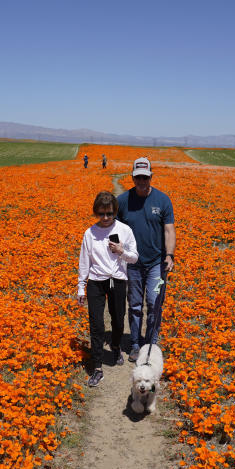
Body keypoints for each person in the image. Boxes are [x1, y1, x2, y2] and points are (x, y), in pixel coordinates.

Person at [117, 157, 175, 362]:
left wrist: (169, 255)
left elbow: (169, 230)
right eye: (138, 177)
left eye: (145, 177)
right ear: (133, 177)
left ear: (151, 177)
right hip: (132, 263)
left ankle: (150, 344)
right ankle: (134, 344)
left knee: (154, 302)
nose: (141, 181)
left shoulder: (162, 200)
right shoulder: (123, 201)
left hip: (156, 264)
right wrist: (118, 252)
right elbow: (114, 230)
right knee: (134, 305)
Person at [77, 191, 138, 387]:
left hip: (116, 280)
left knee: (118, 319)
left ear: (115, 212)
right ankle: (97, 367)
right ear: (96, 212)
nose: (105, 218)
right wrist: (81, 287)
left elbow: (134, 257)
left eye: (109, 214)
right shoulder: (90, 233)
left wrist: (122, 252)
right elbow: (84, 261)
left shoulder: (125, 230)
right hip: (96, 280)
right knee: (96, 324)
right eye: (101, 214)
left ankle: (115, 344)